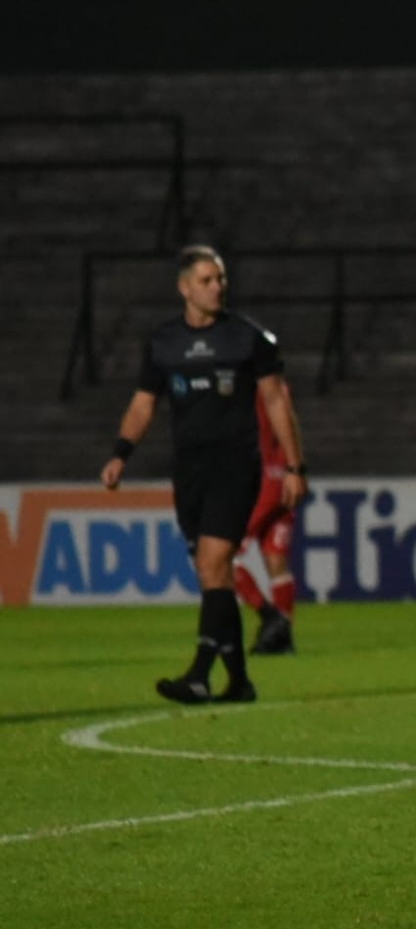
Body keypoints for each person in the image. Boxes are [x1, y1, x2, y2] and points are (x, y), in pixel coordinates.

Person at [100, 245, 308, 704]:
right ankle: (240, 682)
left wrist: (294, 467)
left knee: (214, 564)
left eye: (221, 280)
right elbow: (143, 402)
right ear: (184, 288)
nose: (218, 287)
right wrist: (121, 453)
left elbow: (277, 402)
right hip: (189, 470)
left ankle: (199, 674)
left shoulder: (248, 338)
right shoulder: (163, 342)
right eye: (208, 280)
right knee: (213, 577)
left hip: (235, 466)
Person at [235, 382, 303, 656]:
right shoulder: (279, 385)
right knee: (276, 559)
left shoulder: (249, 384)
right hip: (283, 477)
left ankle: (271, 618)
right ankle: (283, 638)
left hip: (260, 480)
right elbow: (291, 422)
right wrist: (297, 467)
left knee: (222, 557)